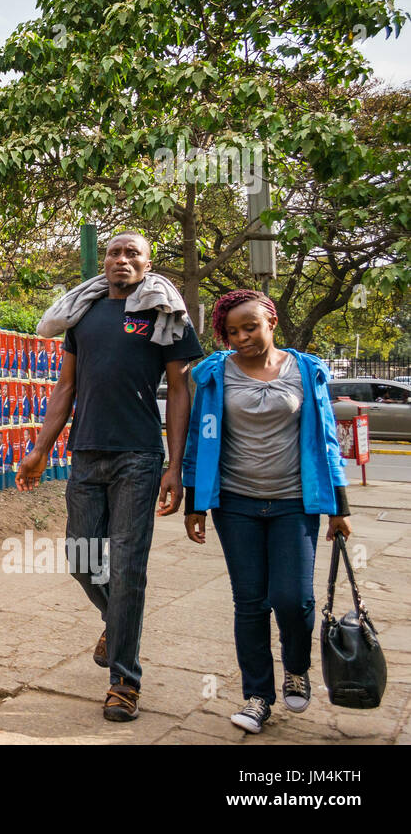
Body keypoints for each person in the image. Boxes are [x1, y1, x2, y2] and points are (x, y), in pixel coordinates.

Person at [16, 232, 202, 723]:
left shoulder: (165, 316)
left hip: (139, 457)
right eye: (115, 252)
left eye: (132, 253)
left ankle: (124, 681)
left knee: (127, 570)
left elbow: (180, 392)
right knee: (81, 558)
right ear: (106, 261)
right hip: (86, 454)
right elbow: (66, 387)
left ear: (147, 262)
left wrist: (174, 466)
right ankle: (115, 621)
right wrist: (39, 449)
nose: (122, 259)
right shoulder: (85, 314)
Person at [182, 290, 352, 734]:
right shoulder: (215, 375)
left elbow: (327, 440)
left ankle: (297, 667)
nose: (242, 338)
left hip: (295, 503)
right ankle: (258, 696)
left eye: (250, 327)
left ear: (271, 321)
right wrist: (194, 501)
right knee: (251, 603)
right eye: (232, 332)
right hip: (235, 504)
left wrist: (340, 506)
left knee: (292, 599)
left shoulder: (306, 370)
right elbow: (201, 439)